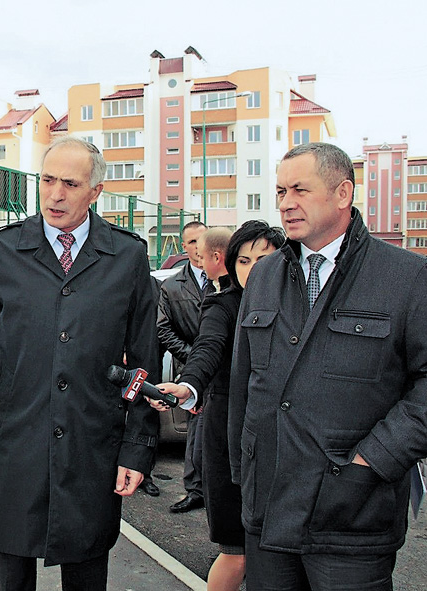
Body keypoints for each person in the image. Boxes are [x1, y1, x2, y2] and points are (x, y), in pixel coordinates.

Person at [0, 136, 161, 591]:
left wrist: (136, 447)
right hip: (18, 442)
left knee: (86, 565)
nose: (56, 194)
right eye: (47, 180)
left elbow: (143, 363)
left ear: (95, 192)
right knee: (8, 569)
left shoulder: (127, 257)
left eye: (70, 183)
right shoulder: (5, 250)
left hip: (90, 445)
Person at [229, 142, 427, 590]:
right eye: (280, 191)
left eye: (300, 190)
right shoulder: (264, 275)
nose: (285, 204)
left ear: (343, 193)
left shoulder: (406, 277)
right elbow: (244, 383)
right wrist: (242, 473)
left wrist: (373, 460)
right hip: (268, 514)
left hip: (352, 517)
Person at [154, 221, 284, 591]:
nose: (252, 270)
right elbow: (207, 349)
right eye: (243, 261)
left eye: (263, 259)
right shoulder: (223, 304)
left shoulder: (299, 304)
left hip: (284, 440)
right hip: (229, 435)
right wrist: (187, 386)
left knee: (280, 552)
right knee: (237, 550)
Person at [157, 220, 208, 513]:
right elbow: (163, 330)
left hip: (224, 369)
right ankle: (194, 490)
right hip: (190, 369)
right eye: (192, 242)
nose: (198, 247)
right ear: (183, 247)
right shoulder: (172, 285)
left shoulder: (228, 278)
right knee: (195, 430)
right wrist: (194, 358)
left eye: (203, 239)